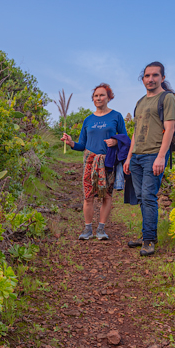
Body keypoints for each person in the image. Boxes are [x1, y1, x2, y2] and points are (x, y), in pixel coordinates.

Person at [124, 62, 175, 256]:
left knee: (148, 196)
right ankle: (147, 235)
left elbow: (170, 128)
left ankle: (149, 240)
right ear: (143, 78)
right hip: (137, 155)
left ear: (162, 78)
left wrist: (161, 156)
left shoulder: (167, 98)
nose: (151, 79)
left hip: (154, 154)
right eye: (147, 76)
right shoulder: (140, 102)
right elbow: (135, 132)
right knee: (141, 198)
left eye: (155, 75)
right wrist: (129, 157)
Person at [62, 83, 127, 240]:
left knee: (106, 195)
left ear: (109, 97)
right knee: (88, 196)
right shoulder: (88, 120)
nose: (99, 98)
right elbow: (82, 145)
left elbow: (125, 139)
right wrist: (71, 143)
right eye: (96, 96)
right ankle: (88, 229)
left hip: (108, 161)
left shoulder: (116, 116)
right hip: (90, 162)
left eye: (102, 95)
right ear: (93, 99)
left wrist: (116, 142)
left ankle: (101, 229)